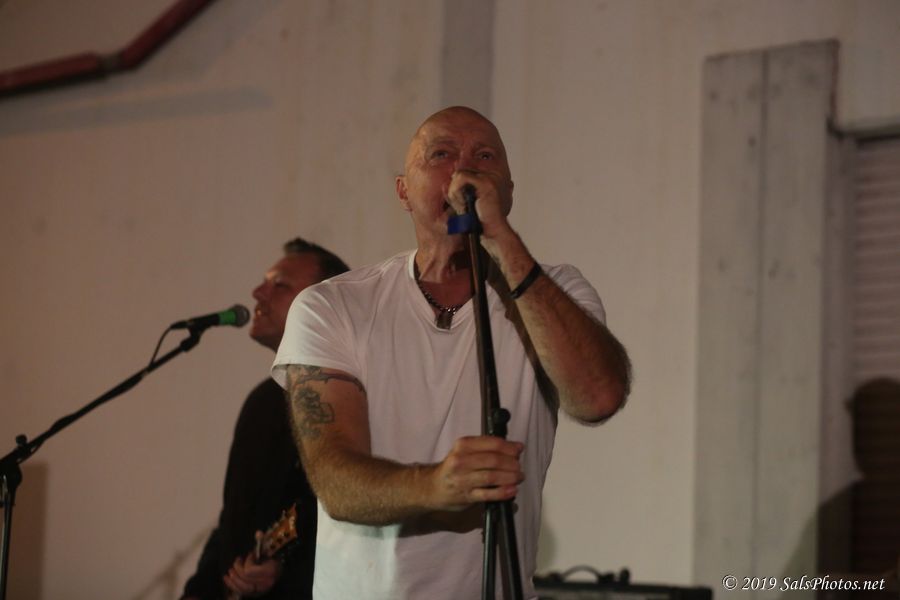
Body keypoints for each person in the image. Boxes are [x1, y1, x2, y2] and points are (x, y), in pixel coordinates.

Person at [272, 106, 632, 599]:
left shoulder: (557, 292)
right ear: (403, 191)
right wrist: (437, 485)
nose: (464, 171)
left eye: (485, 157)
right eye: (441, 155)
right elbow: (336, 479)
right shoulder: (333, 306)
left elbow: (598, 398)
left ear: (508, 192)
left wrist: (501, 241)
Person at [182, 238, 349, 600]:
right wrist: (199, 589)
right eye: (264, 282)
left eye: (280, 285)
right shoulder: (262, 402)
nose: (258, 293)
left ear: (324, 305)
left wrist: (285, 568)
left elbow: (343, 522)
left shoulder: (350, 401)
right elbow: (234, 521)